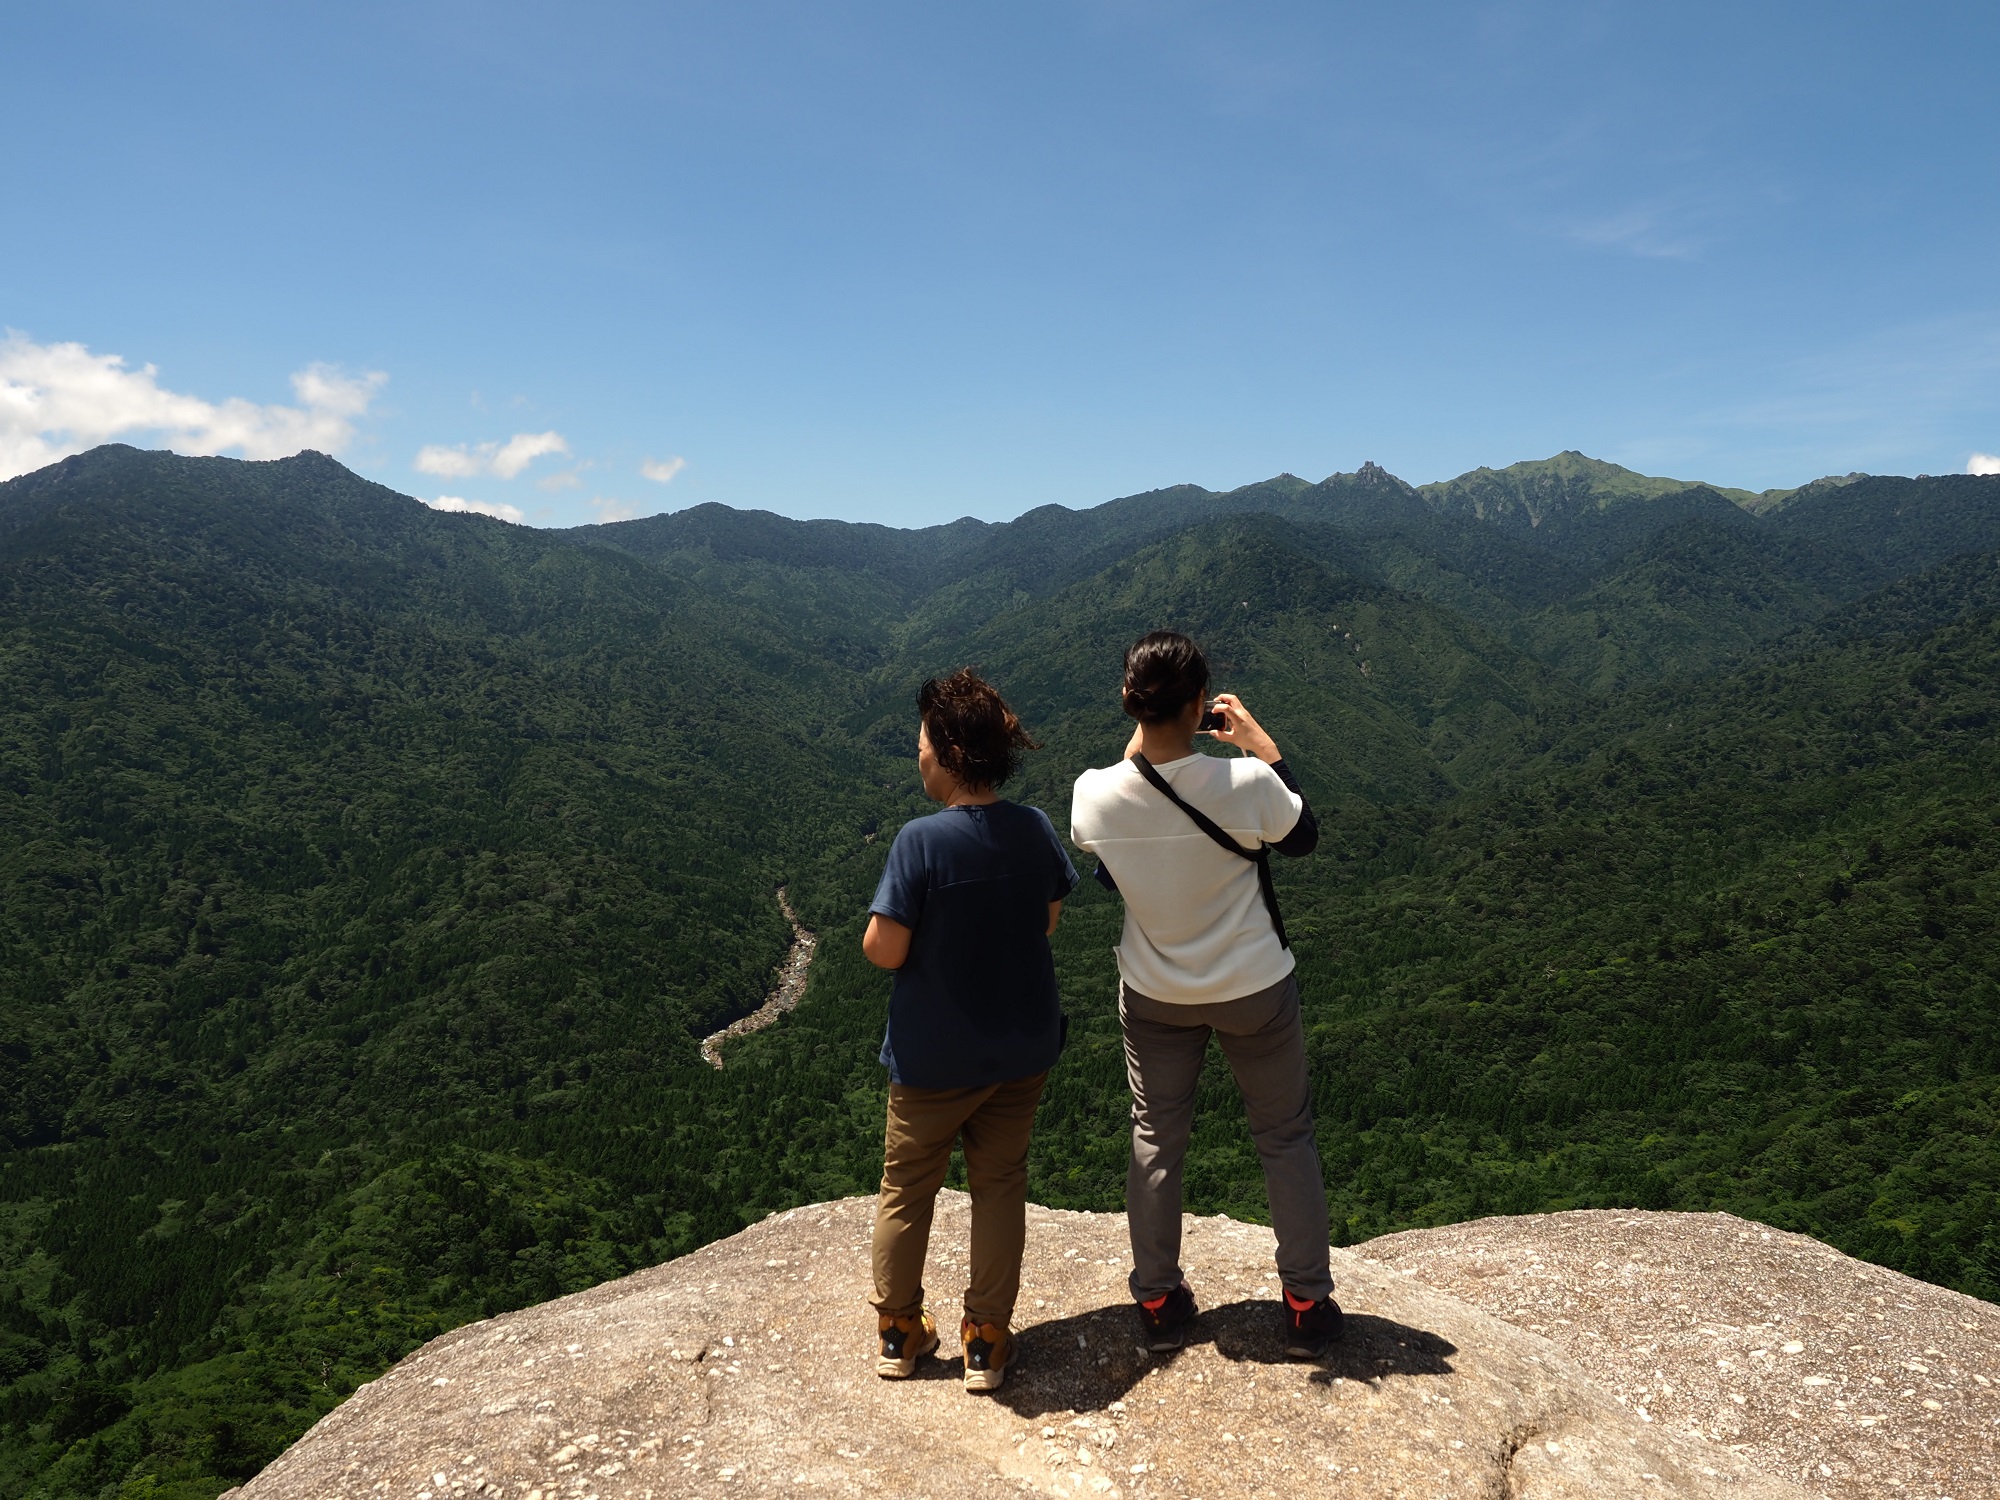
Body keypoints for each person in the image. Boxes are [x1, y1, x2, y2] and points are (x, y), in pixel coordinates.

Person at [1069, 630, 1342, 1359]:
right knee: (1285, 1137)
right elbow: (1305, 836)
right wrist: (1263, 746)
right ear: (1200, 706)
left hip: (1154, 991)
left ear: (1129, 704)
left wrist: (1149, 742)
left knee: (1156, 1134)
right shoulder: (1248, 785)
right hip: (1255, 987)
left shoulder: (1093, 798)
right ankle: (1307, 1301)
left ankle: (1157, 1297)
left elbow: (1110, 875)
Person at [862, 669, 1078, 1392]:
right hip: (1020, 1050)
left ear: (950, 752)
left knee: (907, 1189)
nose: (916, 754)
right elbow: (1046, 918)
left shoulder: (919, 843)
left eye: (922, 741)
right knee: (1000, 1186)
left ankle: (899, 1332)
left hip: (931, 1060)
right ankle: (985, 1339)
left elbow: (885, 948)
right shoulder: (1035, 828)